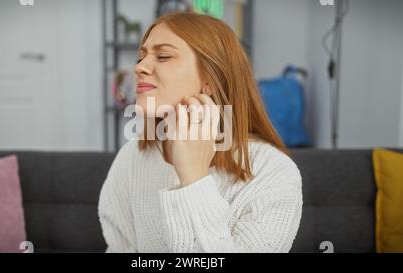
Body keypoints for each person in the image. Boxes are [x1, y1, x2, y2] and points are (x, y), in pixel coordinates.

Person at [98, 12, 303, 253]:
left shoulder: (274, 172)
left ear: (211, 81)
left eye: (163, 56)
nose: (140, 67)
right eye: (141, 57)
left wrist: (193, 177)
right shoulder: (133, 157)